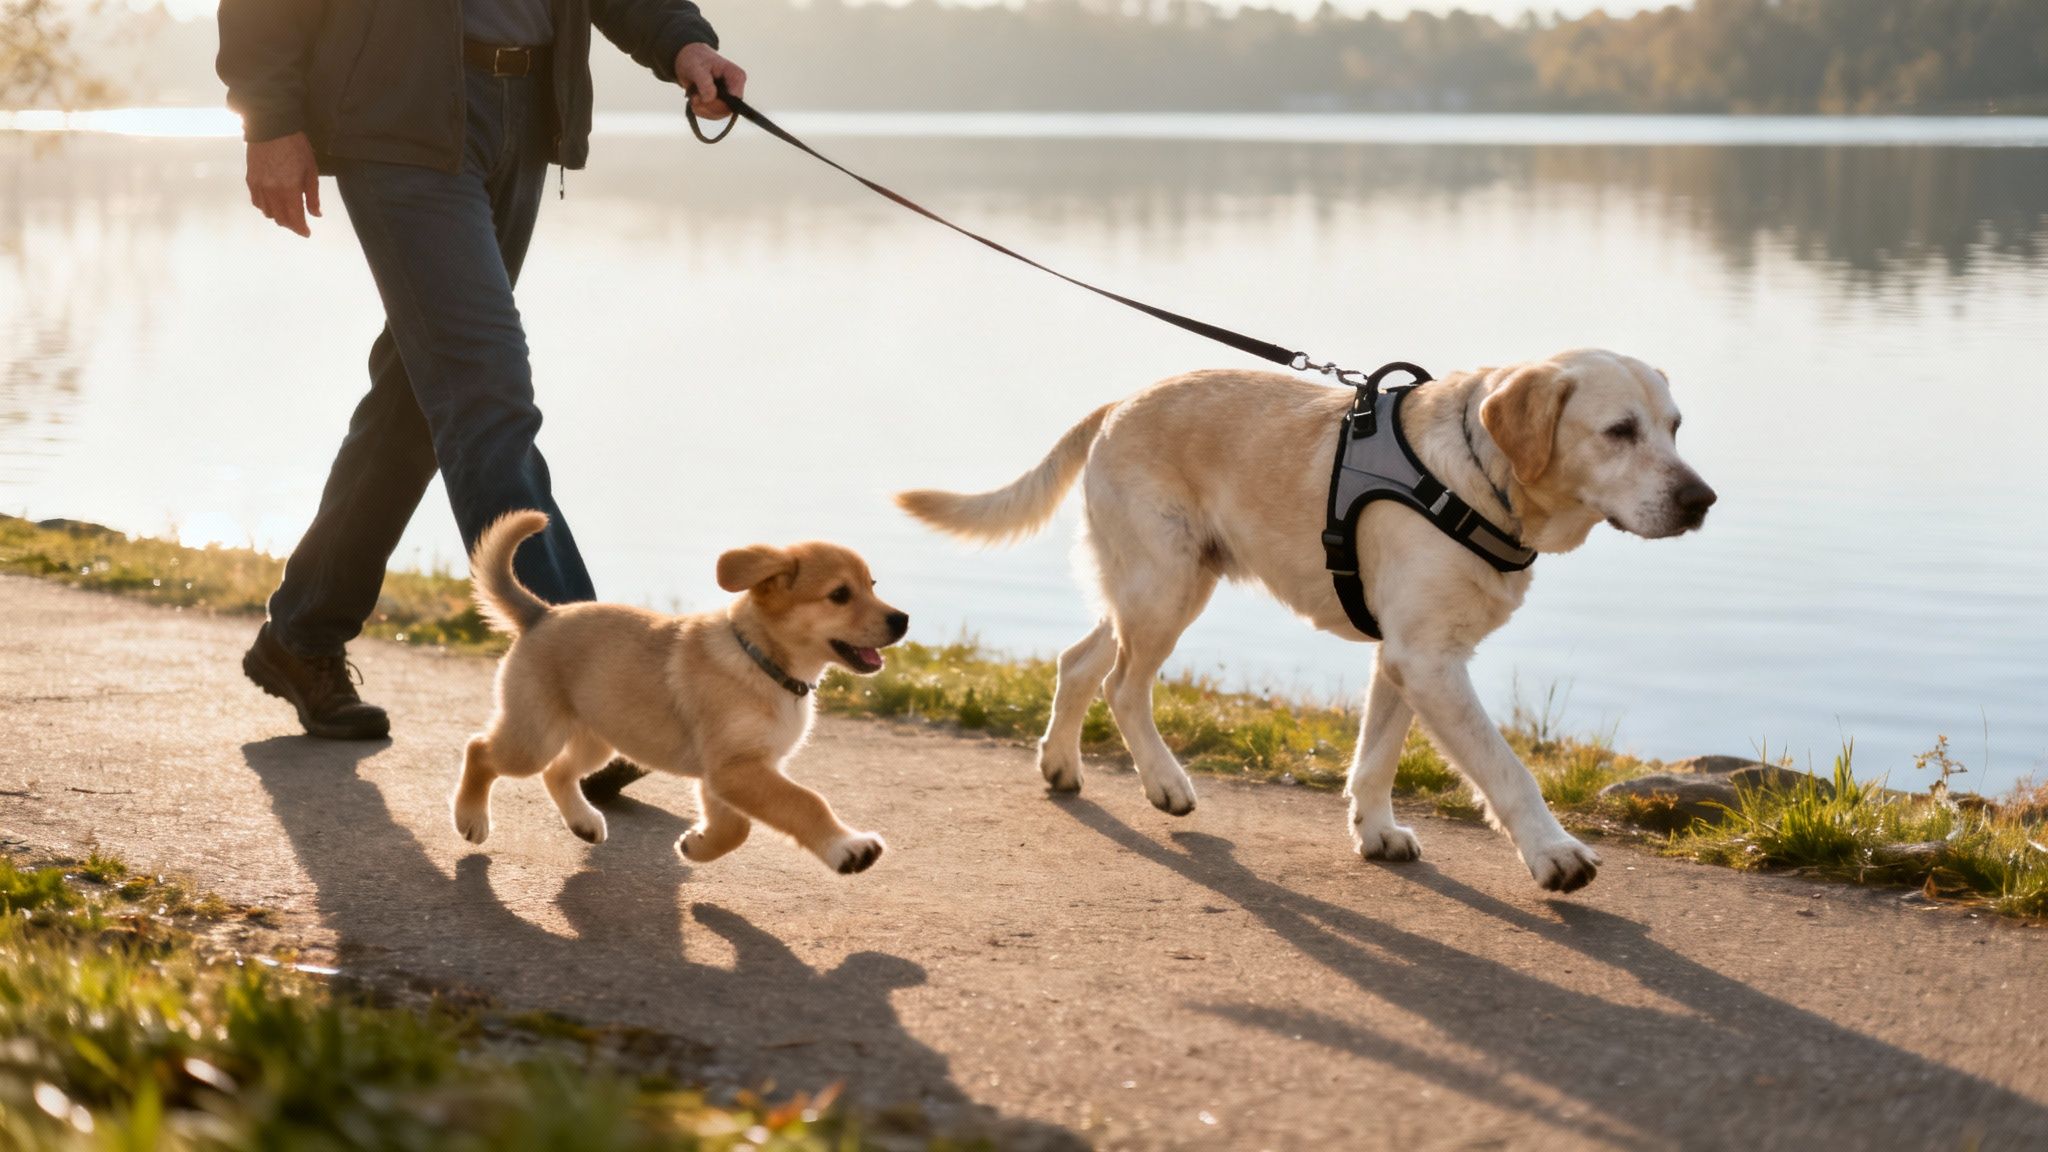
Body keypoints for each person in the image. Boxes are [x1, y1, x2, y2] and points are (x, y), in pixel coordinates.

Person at [217, 0, 744, 802]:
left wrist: (684, 43)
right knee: (485, 394)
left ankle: (303, 633)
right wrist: (269, 117)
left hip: (522, 114)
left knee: (420, 400)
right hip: (398, 117)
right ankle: (595, 685)